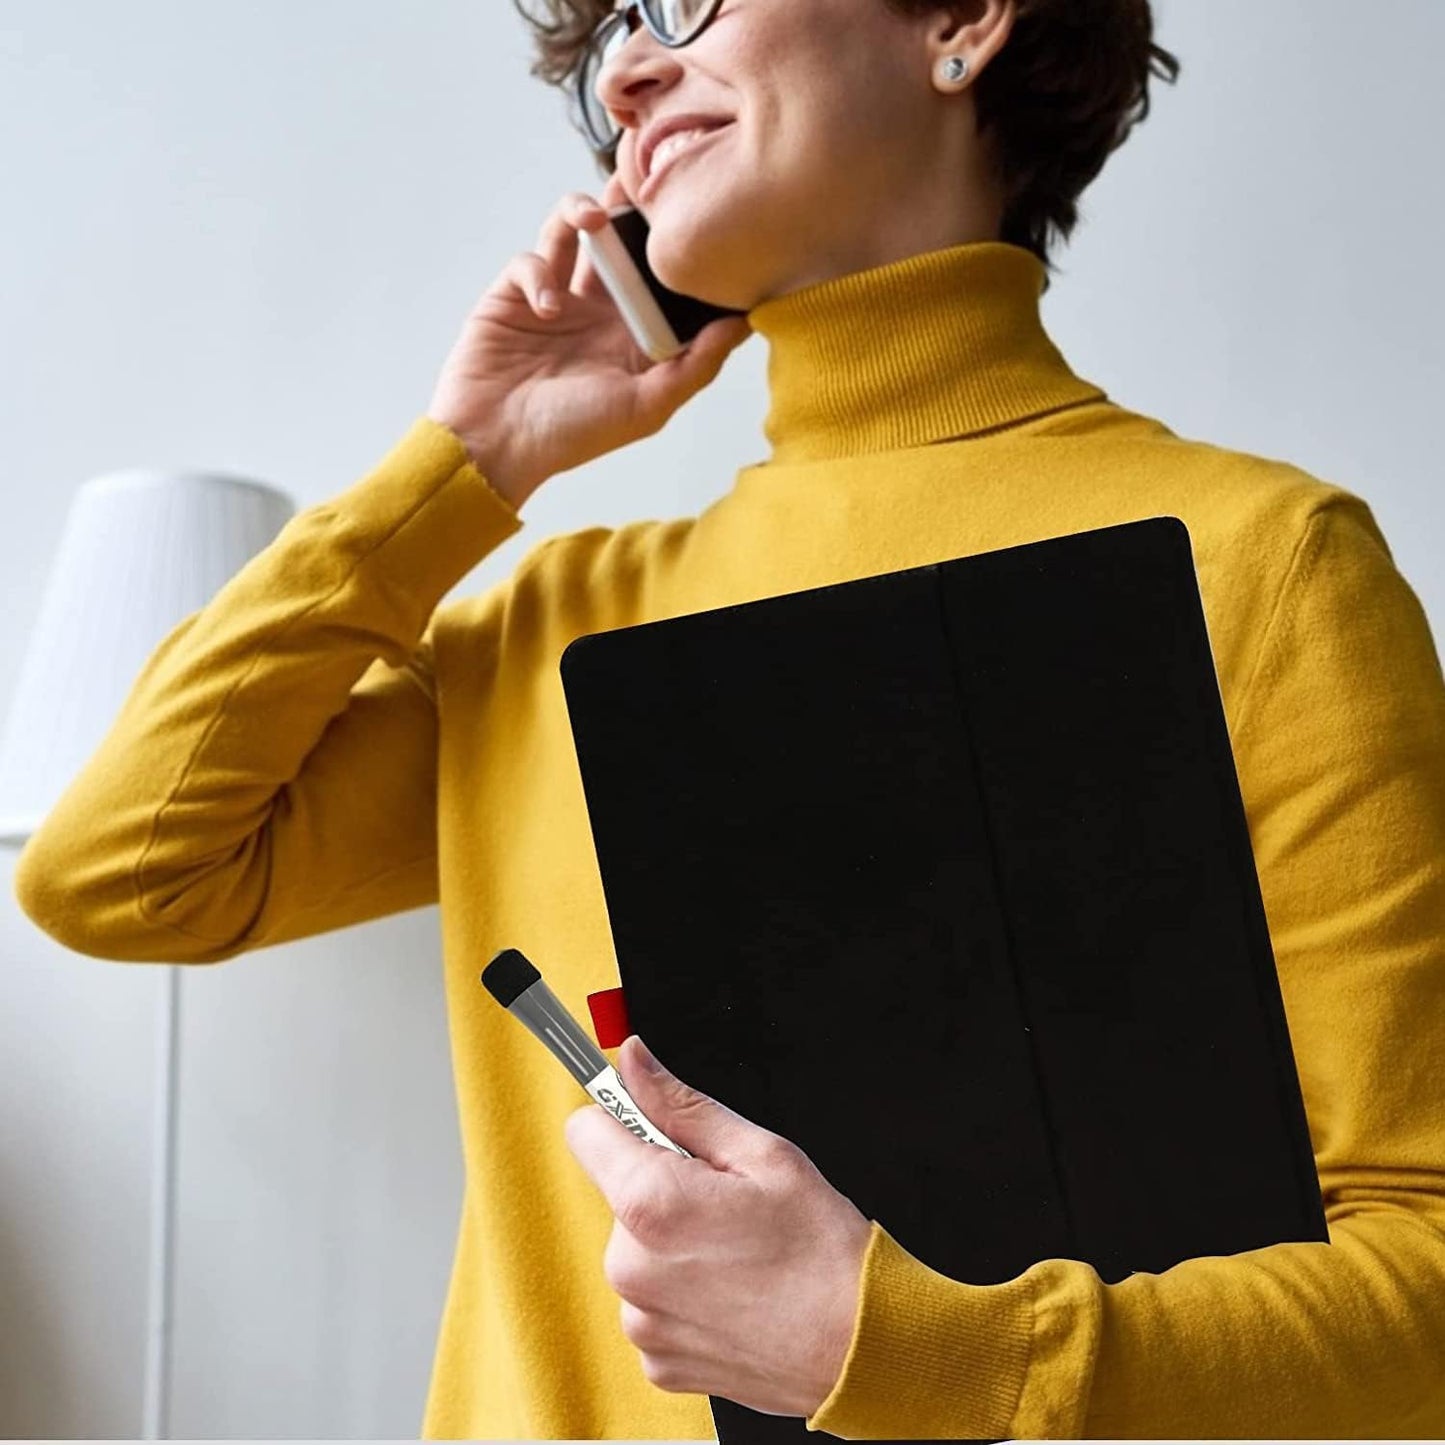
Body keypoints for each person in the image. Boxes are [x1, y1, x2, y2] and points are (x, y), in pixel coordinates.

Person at [14, 0, 1445, 1436]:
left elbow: (1422, 1283)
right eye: (618, 31)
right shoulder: (554, 622)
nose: (629, 69)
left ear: (958, 21)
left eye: (692, 1)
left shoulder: (1261, 562)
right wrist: (466, 464)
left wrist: (925, 1348)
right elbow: (117, 874)